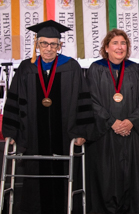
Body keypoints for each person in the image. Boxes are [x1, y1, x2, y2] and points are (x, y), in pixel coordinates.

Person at [2, 20, 94, 213]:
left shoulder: (72, 67)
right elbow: (14, 101)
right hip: (34, 137)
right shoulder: (26, 69)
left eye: (53, 44)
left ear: (60, 45)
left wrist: (82, 131)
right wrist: (12, 131)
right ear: (37, 44)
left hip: (65, 136)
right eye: (44, 43)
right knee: (35, 182)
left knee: (65, 179)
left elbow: (82, 101)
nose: (49, 48)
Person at [86, 29, 139, 214]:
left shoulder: (135, 69)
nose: (119, 47)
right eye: (115, 43)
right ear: (106, 47)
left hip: (131, 134)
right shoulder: (96, 69)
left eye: (123, 43)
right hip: (105, 134)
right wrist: (111, 122)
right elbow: (92, 100)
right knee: (106, 178)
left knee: (131, 177)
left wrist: (131, 121)